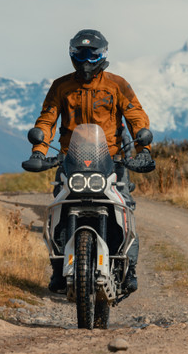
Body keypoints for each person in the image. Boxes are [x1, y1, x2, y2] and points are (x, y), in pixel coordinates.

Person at [27, 29, 153, 294]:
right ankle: (58, 267)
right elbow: (47, 119)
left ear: (102, 55)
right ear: (72, 54)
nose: (86, 59)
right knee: (59, 210)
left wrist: (144, 149)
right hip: (71, 162)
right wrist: (39, 150)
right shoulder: (62, 86)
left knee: (125, 209)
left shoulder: (117, 85)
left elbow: (135, 116)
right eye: (81, 53)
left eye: (92, 54)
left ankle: (129, 267)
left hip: (112, 161)